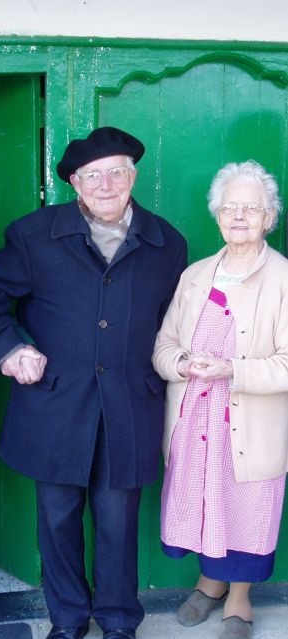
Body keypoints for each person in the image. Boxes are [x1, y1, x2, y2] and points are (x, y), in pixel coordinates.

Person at [0, 126, 187, 639]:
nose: (105, 184)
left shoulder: (166, 242)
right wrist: (9, 348)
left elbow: (178, 319)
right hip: (56, 404)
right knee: (58, 519)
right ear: (75, 184)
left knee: (117, 523)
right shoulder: (34, 234)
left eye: (116, 172)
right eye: (92, 176)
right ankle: (67, 620)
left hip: (130, 404)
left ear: (132, 177)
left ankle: (117, 621)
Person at [152, 160, 288, 639]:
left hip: (250, 423)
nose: (239, 216)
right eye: (229, 207)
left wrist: (233, 370)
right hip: (194, 421)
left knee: (247, 507)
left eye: (251, 208)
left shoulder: (284, 278)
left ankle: (240, 595)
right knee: (206, 501)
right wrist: (183, 364)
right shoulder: (195, 276)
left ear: (269, 217)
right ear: (216, 215)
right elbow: (163, 345)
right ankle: (210, 581)